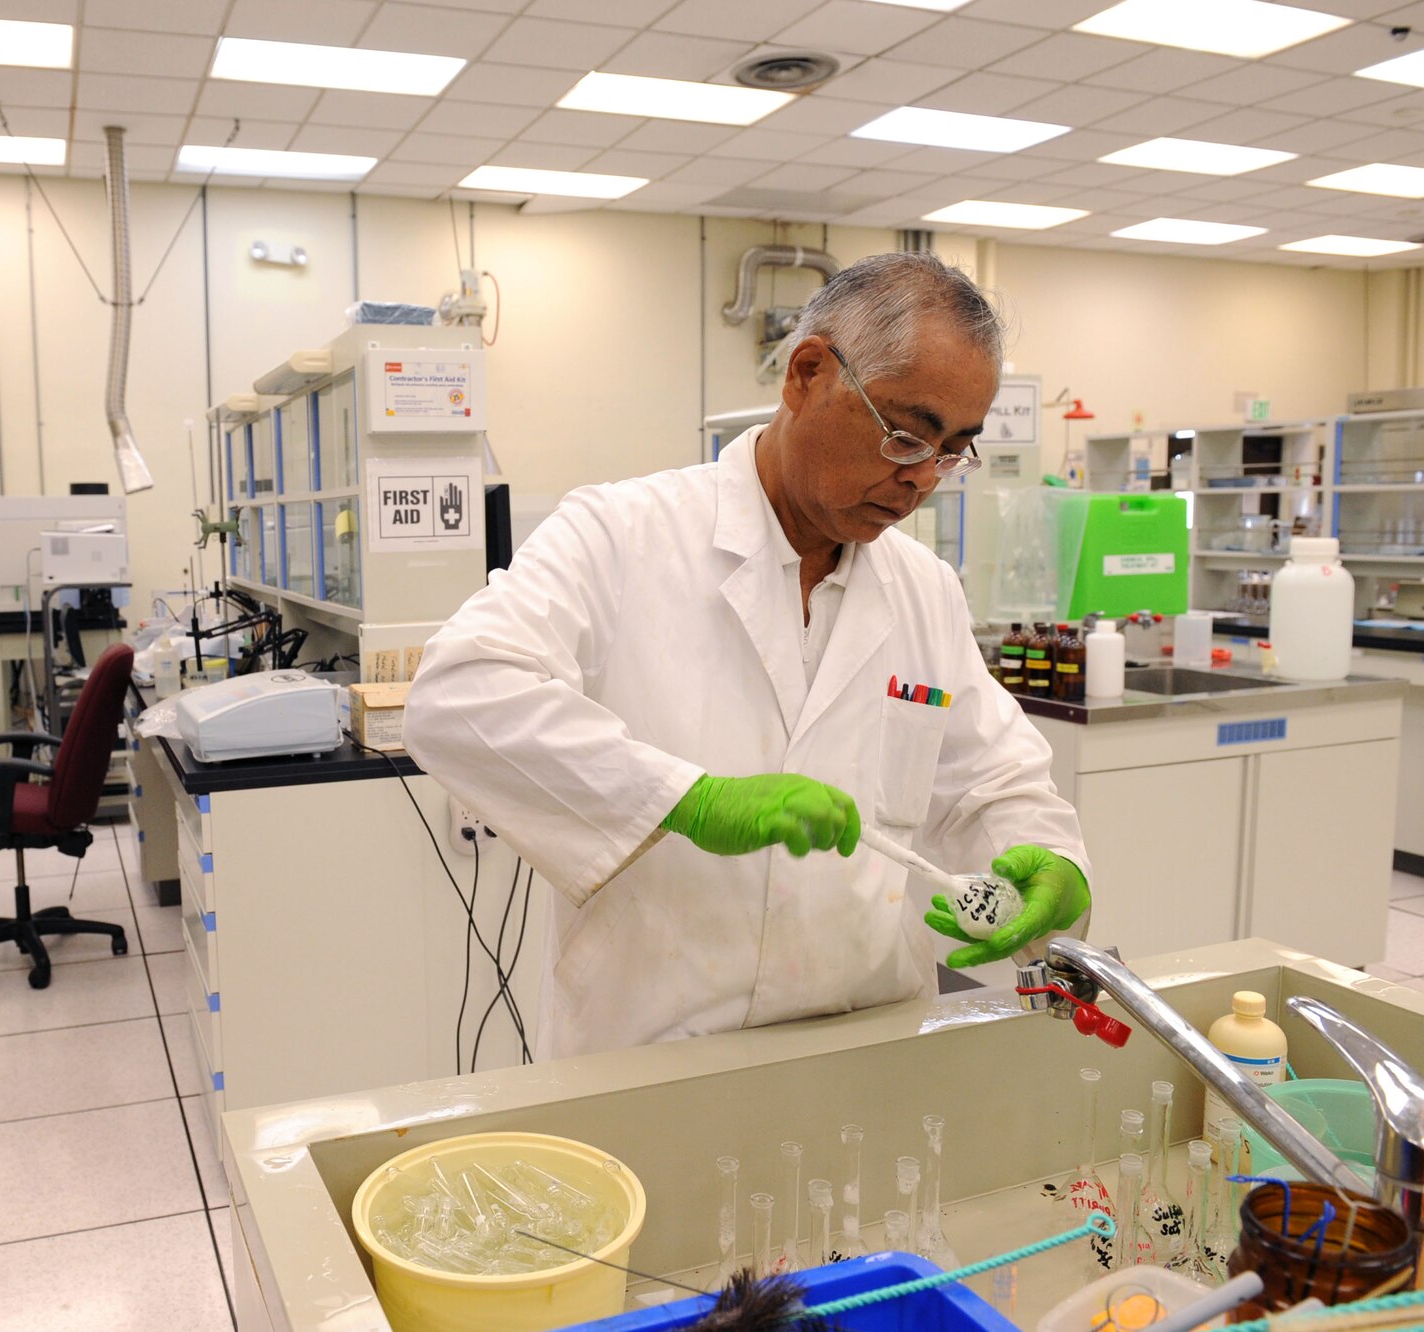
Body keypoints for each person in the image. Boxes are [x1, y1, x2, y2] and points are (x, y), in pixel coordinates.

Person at [402, 252, 1090, 1060]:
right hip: (653, 1053)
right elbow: (459, 694)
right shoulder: (621, 535)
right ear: (807, 374)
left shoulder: (924, 590)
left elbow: (991, 779)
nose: (921, 482)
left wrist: (1050, 858)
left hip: (867, 1046)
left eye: (952, 451)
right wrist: (684, 799)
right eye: (906, 435)